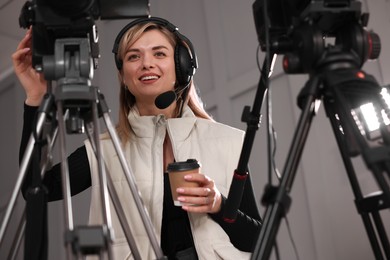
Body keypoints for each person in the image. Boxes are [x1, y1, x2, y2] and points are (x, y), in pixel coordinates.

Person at [13, 17, 262, 260]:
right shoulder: (105, 150)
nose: (146, 64)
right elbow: (35, 188)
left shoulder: (228, 142)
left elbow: (257, 239)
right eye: (133, 56)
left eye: (159, 54)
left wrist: (218, 204)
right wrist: (35, 98)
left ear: (182, 66)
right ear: (123, 76)